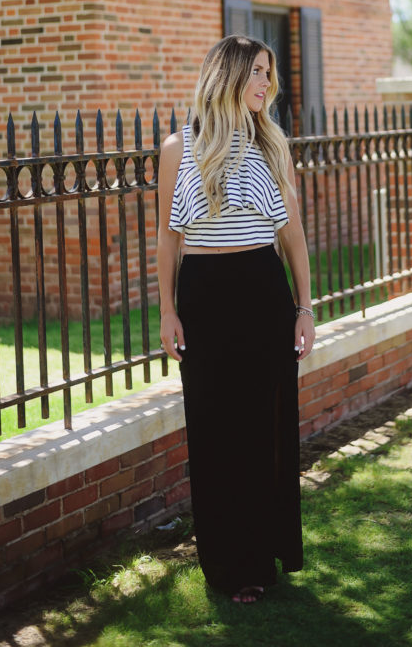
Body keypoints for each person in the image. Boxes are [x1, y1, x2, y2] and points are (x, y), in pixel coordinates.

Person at [157, 35, 315, 604]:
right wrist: (168, 309)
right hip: (203, 297)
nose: (266, 83)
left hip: (262, 293)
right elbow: (168, 238)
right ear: (226, 75)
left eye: (269, 73)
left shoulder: (273, 145)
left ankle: (256, 561)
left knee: (261, 430)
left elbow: (292, 235)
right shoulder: (179, 147)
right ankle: (223, 562)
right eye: (256, 72)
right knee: (213, 431)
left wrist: (304, 307)